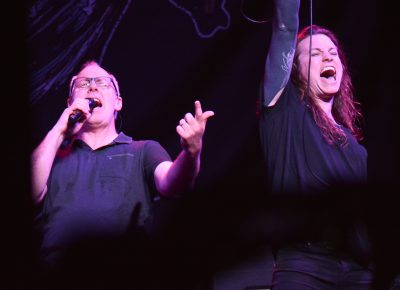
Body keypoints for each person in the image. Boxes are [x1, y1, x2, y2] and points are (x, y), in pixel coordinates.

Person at [30, 60, 214, 288]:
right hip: (57, 277)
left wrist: (191, 153)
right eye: (83, 83)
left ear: (118, 102)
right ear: (70, 102)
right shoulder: (52, 156)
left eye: (102, 83)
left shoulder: (143, 150)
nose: (93, 87)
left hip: (123, 276)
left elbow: (173, 184)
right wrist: (59, 129)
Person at [259, 0, 374, 289]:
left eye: (333, 54)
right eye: (315, 53)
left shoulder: (356, 149)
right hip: (305, 264)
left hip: (360, 269)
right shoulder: (285, 113)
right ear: (295, 70)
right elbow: (285, 28)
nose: (328, 59)